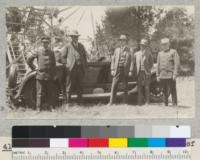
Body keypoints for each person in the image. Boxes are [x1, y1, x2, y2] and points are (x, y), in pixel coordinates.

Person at [27, 36, 56, 111]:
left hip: (49, 75)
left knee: (50, 91)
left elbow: (54, 64)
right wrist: (34, 68)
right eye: (44, 42)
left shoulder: (51, 52)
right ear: (42, 43)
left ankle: (51, 107)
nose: (45, 44)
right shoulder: (38, 51)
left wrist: (54, 74)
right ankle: (38, 108)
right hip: (40, 74)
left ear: (48, 43)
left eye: (46, 42)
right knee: (39, 93)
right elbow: (29, 60)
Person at [60, 30, 87, 105]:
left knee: (80, 85)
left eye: (76, 36)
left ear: (78, 37)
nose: (75, 38)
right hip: (71, 69)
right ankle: (68, 103)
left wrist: (84, 66)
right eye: (73, 37)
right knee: (69, 86)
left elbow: (84, 57)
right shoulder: (67, 46)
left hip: (80, 69)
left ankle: (80, 102)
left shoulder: (81, 46)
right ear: (71, 37)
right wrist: (66, 66)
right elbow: (62, 57)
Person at [108, 34, 132, 105]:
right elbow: (113, 60)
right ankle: (111, 102)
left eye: (124, 40)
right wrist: (112, 69)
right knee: (114, 86)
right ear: (120, 41)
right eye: (121, 40)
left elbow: (132, 61)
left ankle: (125, 102)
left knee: (125, 86)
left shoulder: (129, 50)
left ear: (126, 41)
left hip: (125, 70)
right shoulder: (117, 50)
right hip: (117, 70)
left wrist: (130, 70)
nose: (122, 42)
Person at [156, 38, 180, 106]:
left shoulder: (173, 52)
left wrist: (175, 74)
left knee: (172, 90)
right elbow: (158, 65)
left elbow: (176, 63)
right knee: (164, 90)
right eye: (162, 45)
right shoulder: (160, 53)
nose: (164, 46)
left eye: (165, 44)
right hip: (162, 75)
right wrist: (157, 75)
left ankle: (174, 103)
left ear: (169, 44)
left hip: (170, 75)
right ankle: (165, 103)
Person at [130, 39, 153, 106]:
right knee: (139, 87)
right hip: (139, 73)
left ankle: (147, 102)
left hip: (146, 73)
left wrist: (148, 71)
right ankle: (139, 102)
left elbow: (151, 63)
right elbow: (133, 63)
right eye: (141, 45)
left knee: (146, 87)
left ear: (146, 46)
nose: (142, 47)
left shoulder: (148, 53)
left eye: (144, 46)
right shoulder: (136, 54)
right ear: (140, 46)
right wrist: (131, 71)